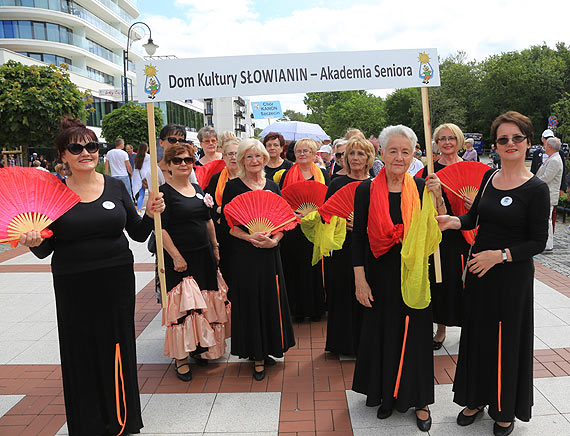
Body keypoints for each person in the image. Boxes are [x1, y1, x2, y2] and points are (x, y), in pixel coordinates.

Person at [20, 117, 164, 436]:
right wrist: (32, 241)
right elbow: (46, 250)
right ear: (63, 155)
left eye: (92, 146)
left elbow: (138, 234)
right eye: (76, 147)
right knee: (80, 348)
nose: (86, 152)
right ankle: (88, 423)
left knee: (117, 345)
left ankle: (122, 419)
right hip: (73, 283)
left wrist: (152, 215)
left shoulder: (114, 185)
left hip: (116, 281)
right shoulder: (53, 193)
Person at [436, 111, 549, 436]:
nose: (510, 144)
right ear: (495, 145)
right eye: (503, 139)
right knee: (477, 336)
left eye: (516, 138)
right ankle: (475, 398)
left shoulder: (536, 188)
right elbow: (473, 218)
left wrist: (498, 256)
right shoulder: (489, 178)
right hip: (479, 273)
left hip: (511, 278)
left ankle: (503, 408)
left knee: (505, 340)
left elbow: (537, 242)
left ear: (528, 141)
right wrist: (453, 222)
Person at [352, 125, 442, 432]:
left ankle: (420, 400)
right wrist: (359, 280)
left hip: (413, 272)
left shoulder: (420, 187)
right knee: (385, 333)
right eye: (393, 150)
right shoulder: (365, 189)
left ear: (413, 154)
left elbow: (435, 228)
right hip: (378, 273)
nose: (399, 157)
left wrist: (438, 197)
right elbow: (359, 240)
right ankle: (387, 395)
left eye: (406, 151)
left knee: (416, 334)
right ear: (382, 153)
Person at [221, 138, 295, 380]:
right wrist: (250, 237)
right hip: (246, 254)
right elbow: (229, 227)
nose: (254, 161)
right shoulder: (233, 187)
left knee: (270, 299)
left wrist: (275, 240)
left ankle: (271, 347)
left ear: (265, 159)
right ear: (242, 160)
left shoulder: (272, 186)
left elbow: (284, 221)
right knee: (251, 301)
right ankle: (257, 356)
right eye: (249, 157)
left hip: (270, 253)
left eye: (258, 156)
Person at [160, 143, 229, 381]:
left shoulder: (198, 189)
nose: (183, 165)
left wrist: (215, 246)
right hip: (180, 259)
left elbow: (208, 220)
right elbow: (160, 230)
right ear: (168, 165)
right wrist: (176, 256)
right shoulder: (163, 194)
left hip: (204, 255)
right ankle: (181, 358)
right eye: (177, 161)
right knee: (184, 308)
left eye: (188, 160)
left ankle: (202, 347)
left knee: (204, 304)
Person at [422, 123, 470, 349]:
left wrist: (474, 204)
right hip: (440, 236)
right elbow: (422, 208)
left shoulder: (473, 168)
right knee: (440, 281)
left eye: (451, 138)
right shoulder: (429, 171)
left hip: (467, 235)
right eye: (442, 138)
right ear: (436, 142)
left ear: (459, 141)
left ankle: (469, 327)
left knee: (467, 283)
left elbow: (483, 208)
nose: (447, 142)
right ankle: (440, 329)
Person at [325, 136, 374, 356]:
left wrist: (365, 225)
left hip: (368, 246)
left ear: (368, 158)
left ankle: (366, 343)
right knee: (343, 290)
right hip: (343, 245)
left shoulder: (375, 184)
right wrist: (343, 223)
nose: (355, 158)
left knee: (366, 291)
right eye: (351, 154)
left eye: (360, 154)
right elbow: (326, 215)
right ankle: (343, 343)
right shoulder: (335, 183)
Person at [279, 138, 330, 322]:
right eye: (299, 151)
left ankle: (316, 308)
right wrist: (294, 213)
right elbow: (282, 200)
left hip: (316, 226)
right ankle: (297, 309)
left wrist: (316, 213)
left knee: (314, 267)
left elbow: (328, 199)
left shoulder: (323, 174)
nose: (302, 154)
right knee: (294, 267)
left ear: (314, 153)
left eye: (306, 151)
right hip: (293, 227)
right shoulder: (286, 175)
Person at [205, 138, 240, 282]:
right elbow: (208, 205)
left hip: (245, 231)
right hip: (222, 231)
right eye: (229, 154)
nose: (233, 158)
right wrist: (219, 210)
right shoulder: (216, 179)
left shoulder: (248, 177)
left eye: (236, 154)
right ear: (223, 157)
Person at [536, 137, 563, 251]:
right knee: (545, 219)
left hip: (548, 195)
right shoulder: (553, 158)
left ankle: (547, 245)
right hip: (546, 195)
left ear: (550, 147)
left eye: (546, 145)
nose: (544, 147)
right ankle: (545, 243)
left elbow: (546, 178)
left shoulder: (555, 160)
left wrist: (533, 182)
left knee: (546, 220)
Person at [132, 142, 151, 212]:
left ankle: (139, 209)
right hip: (148, 177)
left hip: (139, 178)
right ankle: (150, 208)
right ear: (146, 149)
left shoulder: (136, 157)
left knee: (141, 195)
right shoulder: (149, 157)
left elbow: (135, 169)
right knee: (150, 194)